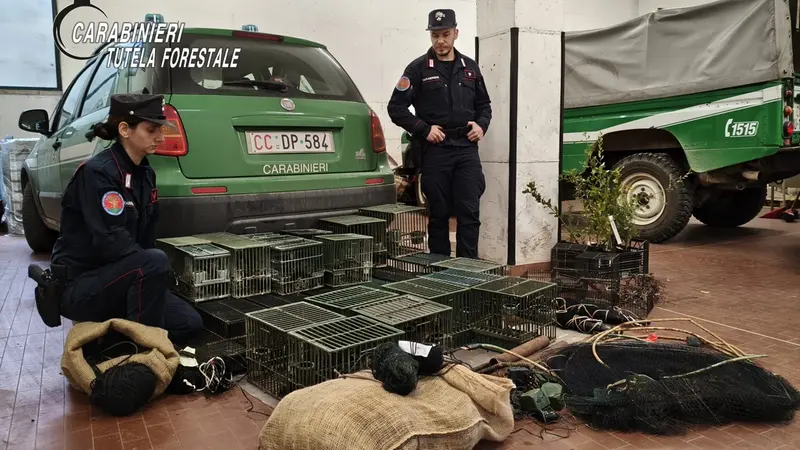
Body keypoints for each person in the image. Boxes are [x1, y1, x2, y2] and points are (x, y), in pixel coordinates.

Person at [40, 93, 203, 347]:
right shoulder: (98, 174)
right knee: (154, 262)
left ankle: (111, 336)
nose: (160, 137)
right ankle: (133, 352)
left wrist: (153, 281)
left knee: (189, 323)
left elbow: (146, 240)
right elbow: (112, 242)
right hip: (83, 286)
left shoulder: (145, 174)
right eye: (152, 130)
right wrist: (150, 272)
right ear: (125, 129)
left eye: (161, 129)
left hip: (123, 276)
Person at [387, 8, 492, 258]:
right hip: (435, 151)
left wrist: (481, 125)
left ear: (456, 33)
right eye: (435, 35)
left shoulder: (470, 68)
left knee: (469, 212)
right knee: (438, 214)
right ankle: (439, 272)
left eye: (445, 34)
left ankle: (468, 271)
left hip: (466, 148)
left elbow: (484, 105)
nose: (440, 41)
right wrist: (424, 130)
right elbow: (396, 107)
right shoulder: (418, 69)